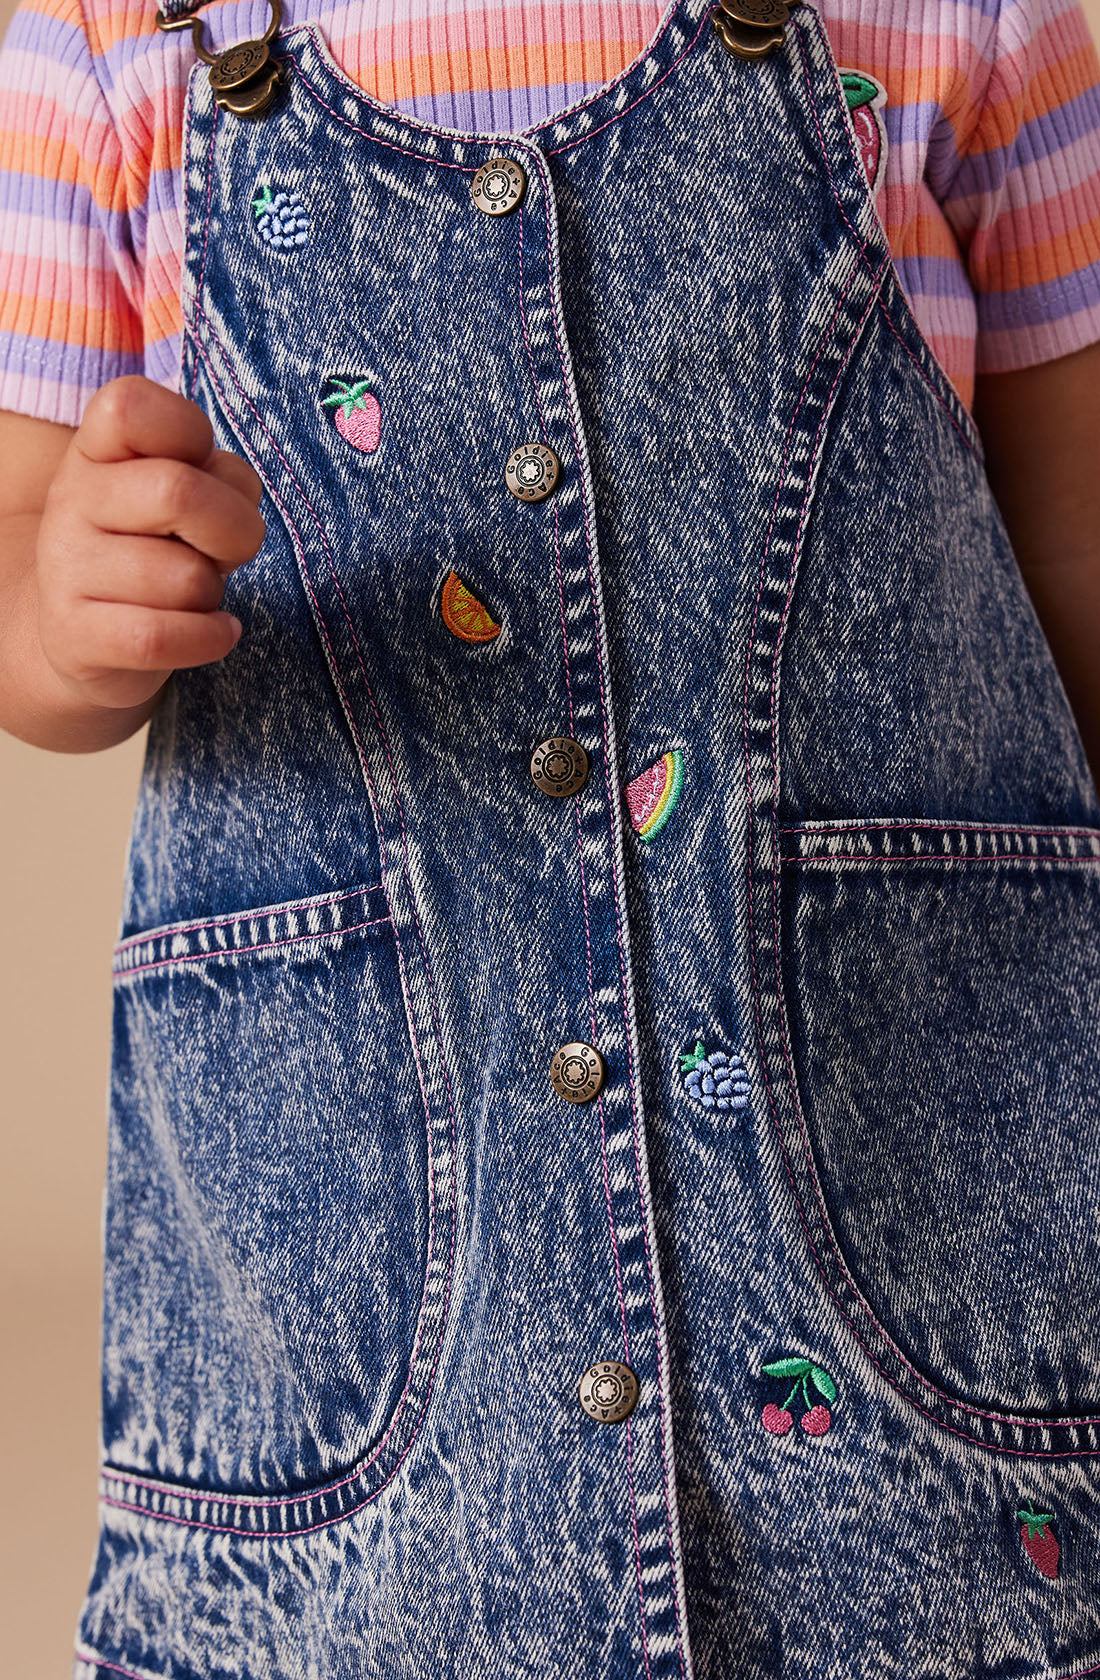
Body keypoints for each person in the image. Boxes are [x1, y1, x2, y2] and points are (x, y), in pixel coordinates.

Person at [0, 0, 1098, 1674]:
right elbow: (16, 563)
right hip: (361, 1301)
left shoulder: (979, 19)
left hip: (920, 1212)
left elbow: (1071, 566)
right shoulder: (102, 48)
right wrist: (65, 608)